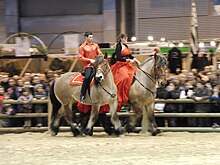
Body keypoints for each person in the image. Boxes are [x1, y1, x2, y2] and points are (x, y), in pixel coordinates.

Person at [111, 33, 140, 111]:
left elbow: (130, 55)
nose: (126, 40)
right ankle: (121, 96)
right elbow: (119, 57)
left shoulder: (126, 46)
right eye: (125, 38)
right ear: (121, 39)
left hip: (128, 64)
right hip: (121, 65)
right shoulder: (118, 46)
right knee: (124, 77)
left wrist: (137, 60)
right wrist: (128, 60)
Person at [78, 31, 103, 103]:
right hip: (88, 66)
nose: (91, 38)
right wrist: (89, 60)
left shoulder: (95, 45)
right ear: (86, 37)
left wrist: (101, 56)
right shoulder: (82, 47)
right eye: (90, 37)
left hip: (97, 65)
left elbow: (99, 53)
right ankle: (82, 95)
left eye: (92, 37)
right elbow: (80, 58)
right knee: (87, 77)